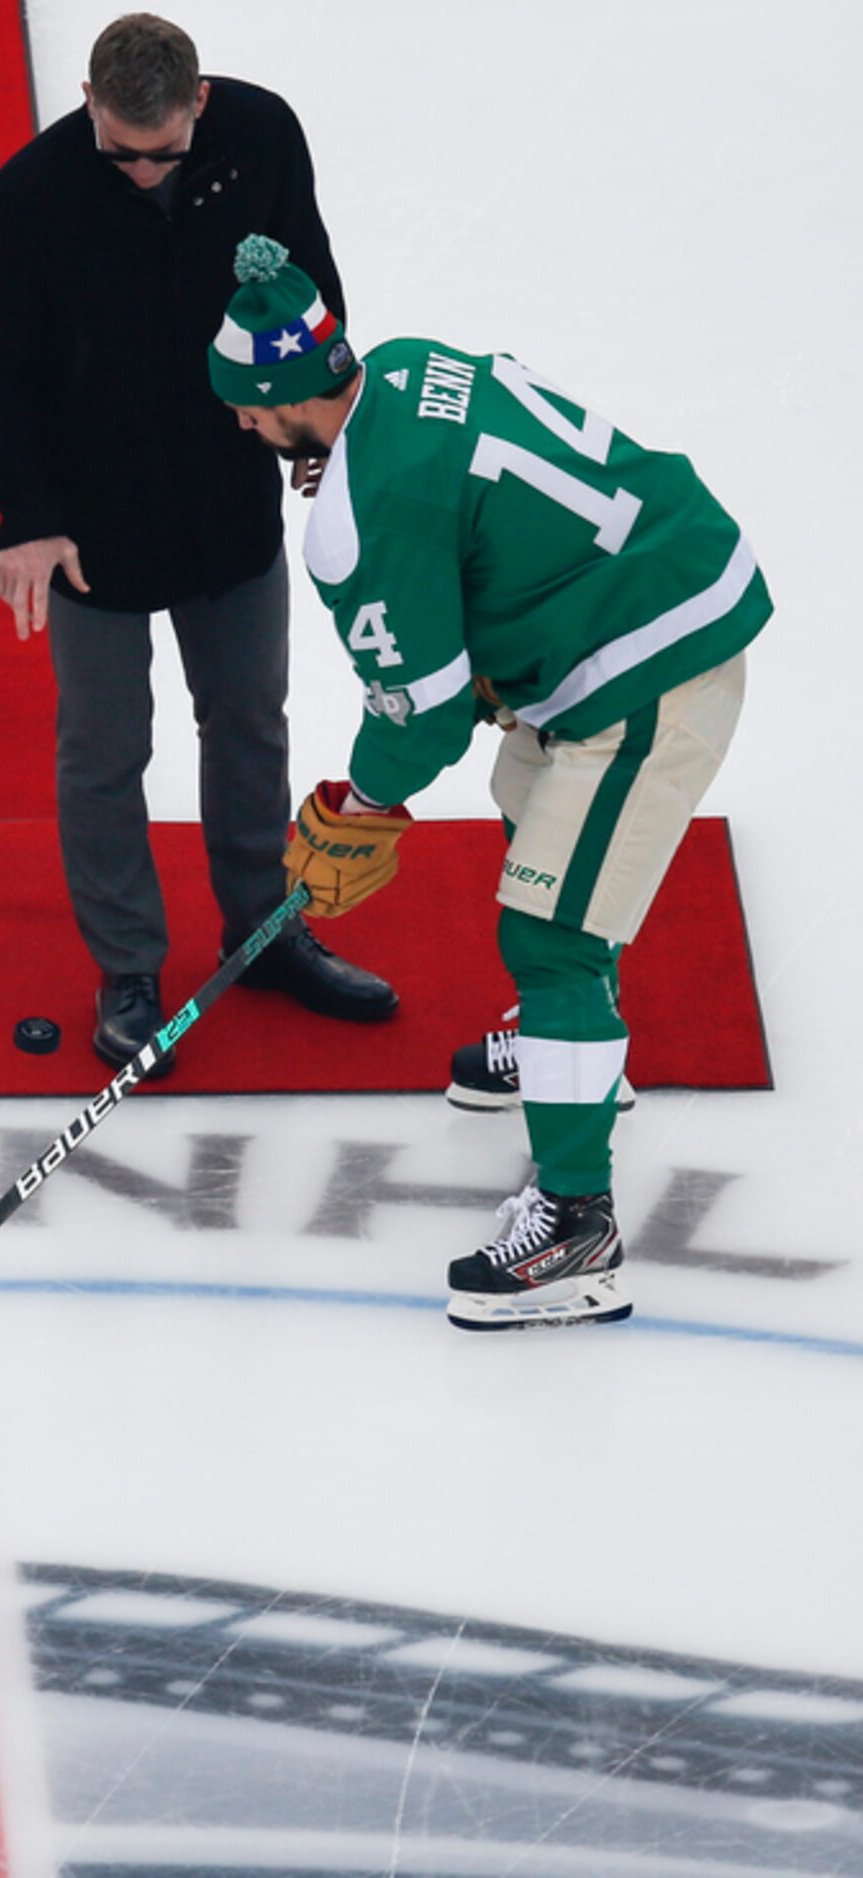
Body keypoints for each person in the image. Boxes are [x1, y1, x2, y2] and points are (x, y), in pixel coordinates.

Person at [213, 234, 769, 1331]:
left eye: (243, 408)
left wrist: (358, 805)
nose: (236, 425)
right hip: (637, 589)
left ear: (285, 400)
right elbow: (468, 519)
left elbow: (419, 714)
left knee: (549, 931)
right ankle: (572, 1052)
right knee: (530, 798)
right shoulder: (408, 365)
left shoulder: (360, 521)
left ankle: (575, 1231)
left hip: (647, 660)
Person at [0, 12, 395, 1073]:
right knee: (103, 751)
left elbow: (308, 290)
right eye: (120, 150)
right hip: (89, 522)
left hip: (223, 492)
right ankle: (127, 970)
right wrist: (26, 514)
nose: (144, 174)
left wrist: (313, 422)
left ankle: (262, 935)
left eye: (163, 153)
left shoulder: (262, 137)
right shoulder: (22, 201)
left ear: (198, 104)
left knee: (246, 718)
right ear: (89, 108)